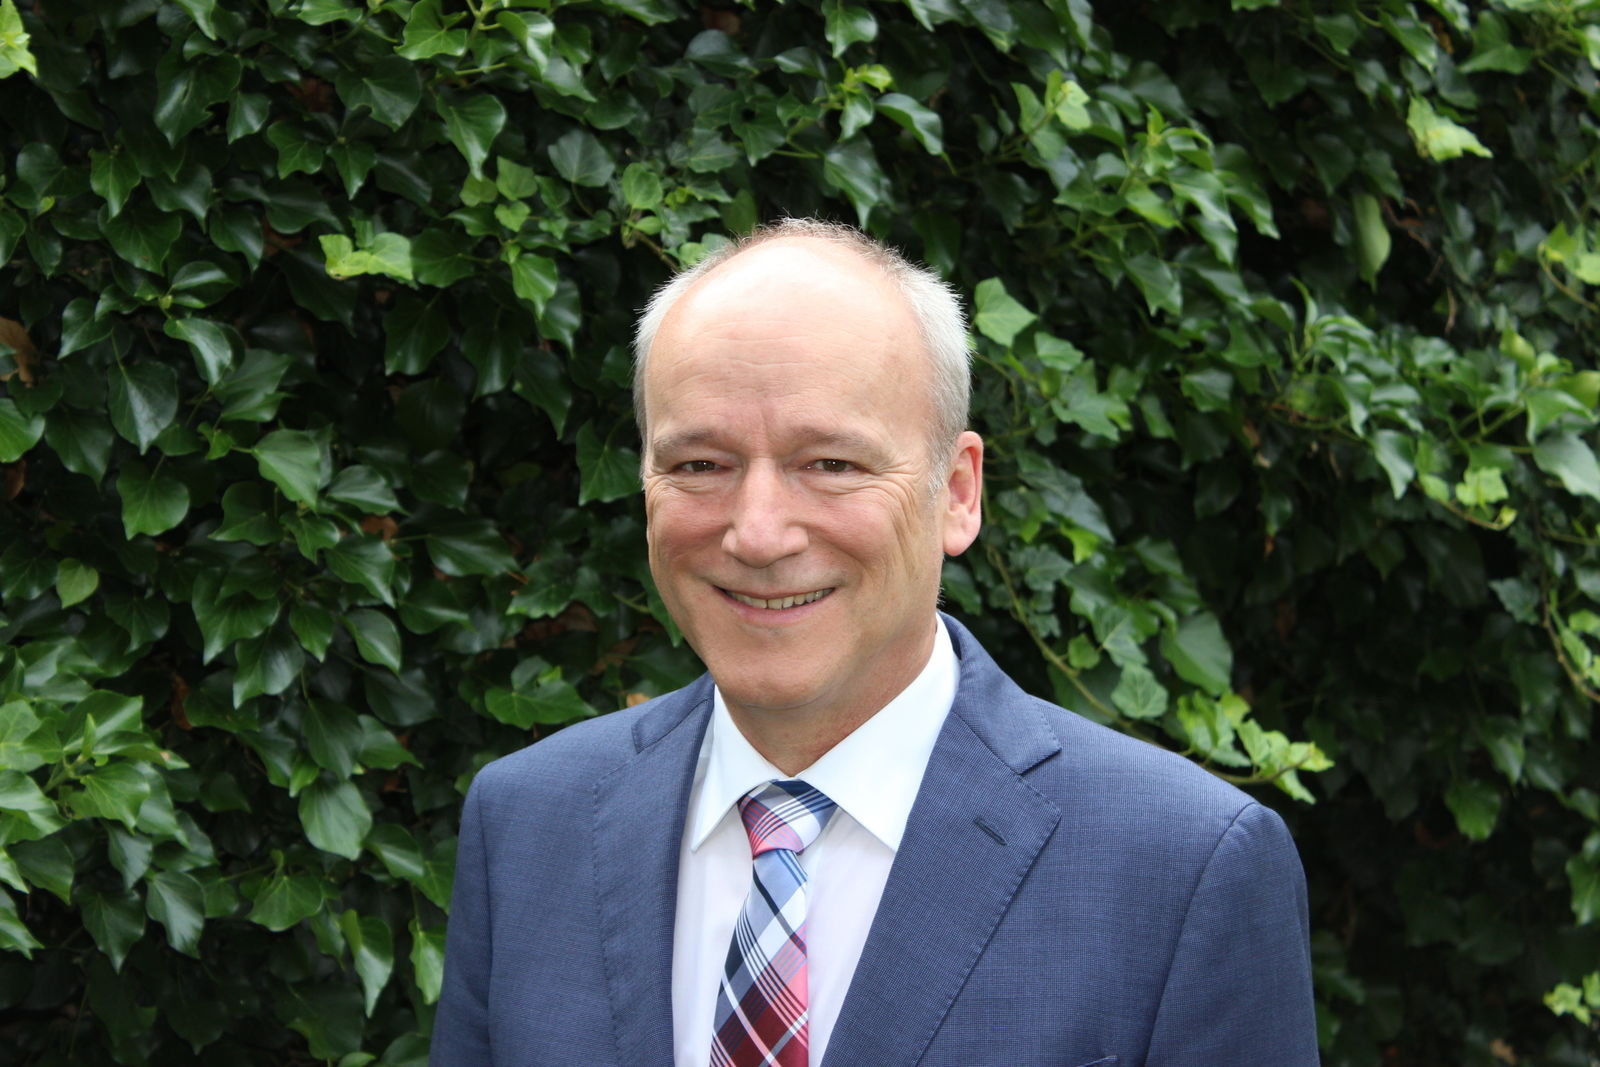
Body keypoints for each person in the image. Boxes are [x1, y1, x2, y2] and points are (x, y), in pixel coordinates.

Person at [432, 219, 1319, 1066]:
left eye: (832, 464)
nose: (758, 532)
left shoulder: (1184, 868)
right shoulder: (525, 826)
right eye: (700, 464)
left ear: (958, 493)